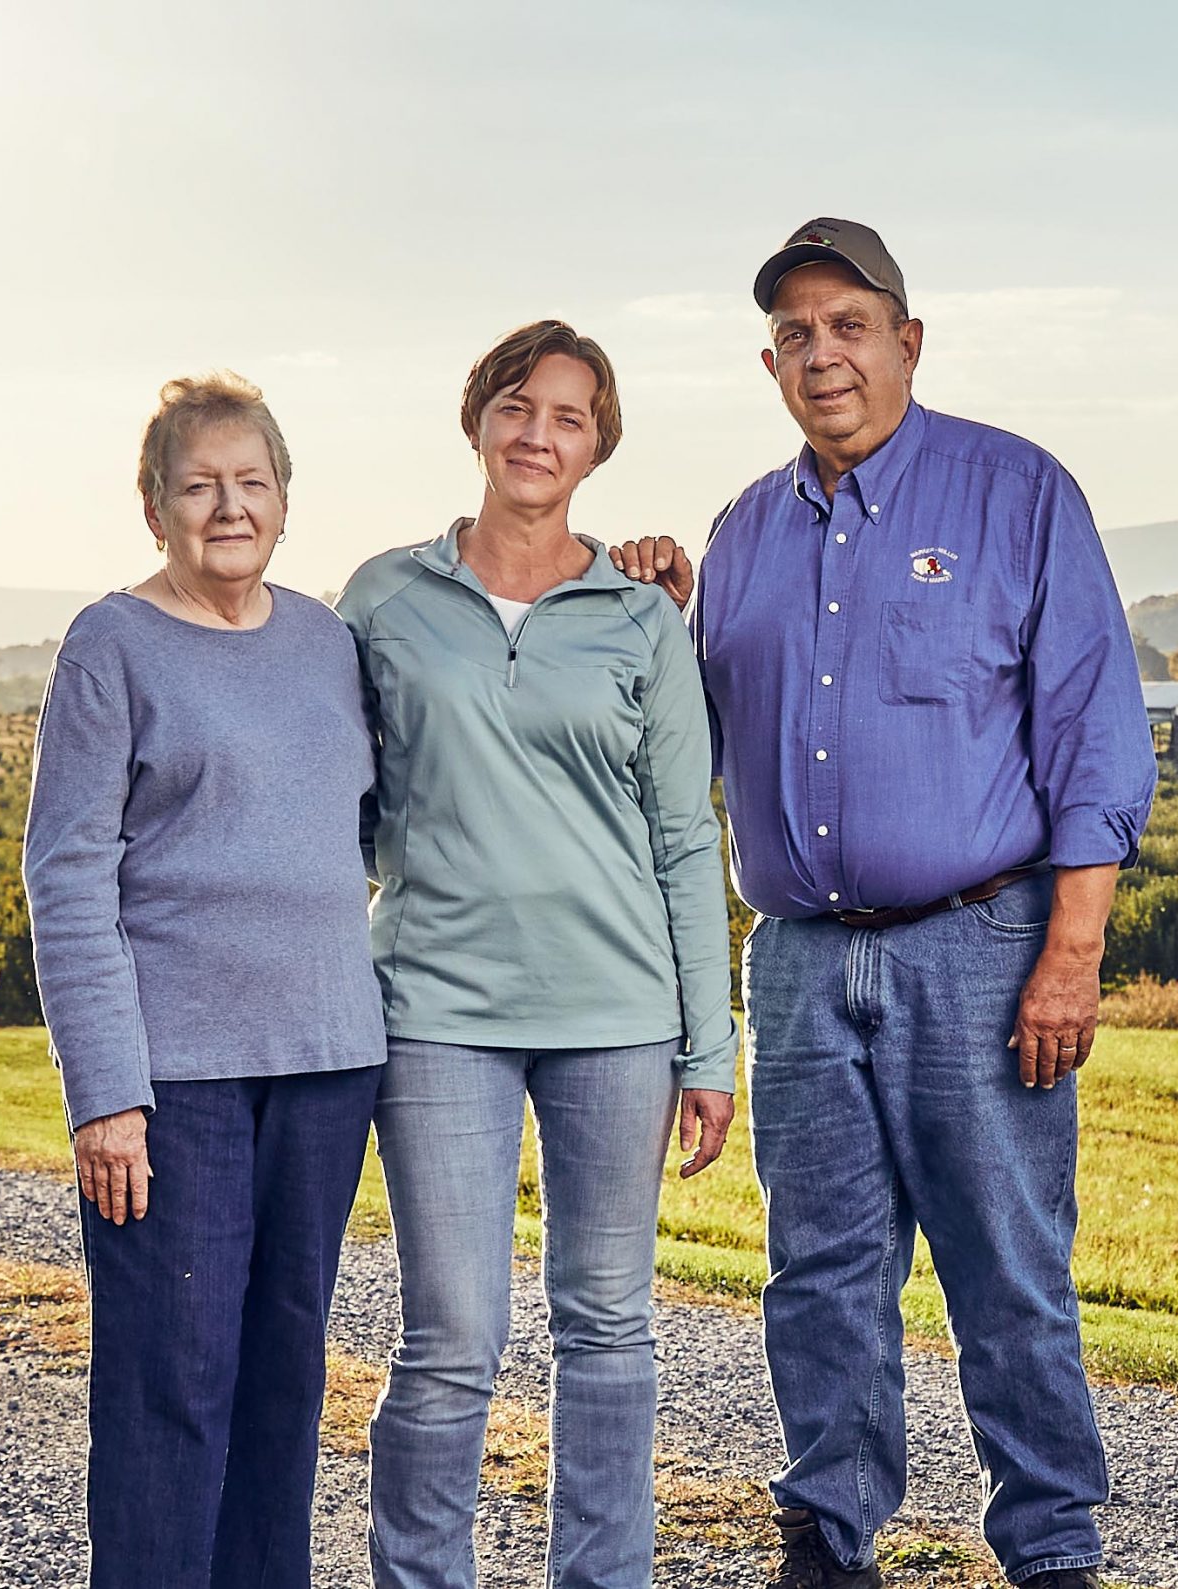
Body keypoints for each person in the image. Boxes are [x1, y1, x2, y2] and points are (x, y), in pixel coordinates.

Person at [613, 219, 1156, 1589]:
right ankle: (827, 1541)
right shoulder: (742, 530)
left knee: (1009, 1272)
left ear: (908, 341)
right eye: (795, 335)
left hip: (983, 947)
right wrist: (667, 617)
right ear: (769, 362)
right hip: (798, 960)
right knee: (819, 1272)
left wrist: (1071, 953)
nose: (822, 354)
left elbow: (1095, 735)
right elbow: (706, 736)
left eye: (847, 325)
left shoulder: (1017, 494)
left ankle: (1052, 1553)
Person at [336, 319, 738, 1589]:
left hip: (616, 1014)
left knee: (609, 1327)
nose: (537, 434)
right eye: (518, 406)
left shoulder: (639, 616)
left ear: (596, 448)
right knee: (450, 1336)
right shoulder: (383, 598)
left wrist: (710, 1043)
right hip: (435, 1009)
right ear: (476, 420)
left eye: (568, 418)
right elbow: (337, 815)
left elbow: (686, 837)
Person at [22, 372, 386, 1589]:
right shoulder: (110, 646)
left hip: (329, 1063)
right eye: (200, 485)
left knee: (286, 1383)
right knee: (173, 1382)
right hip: (175, 1080)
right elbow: (66, 877)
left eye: (252, 482)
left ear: (284, 499)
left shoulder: (325, 639)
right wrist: (105, 1093)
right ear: (155, 505)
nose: (229, 505)